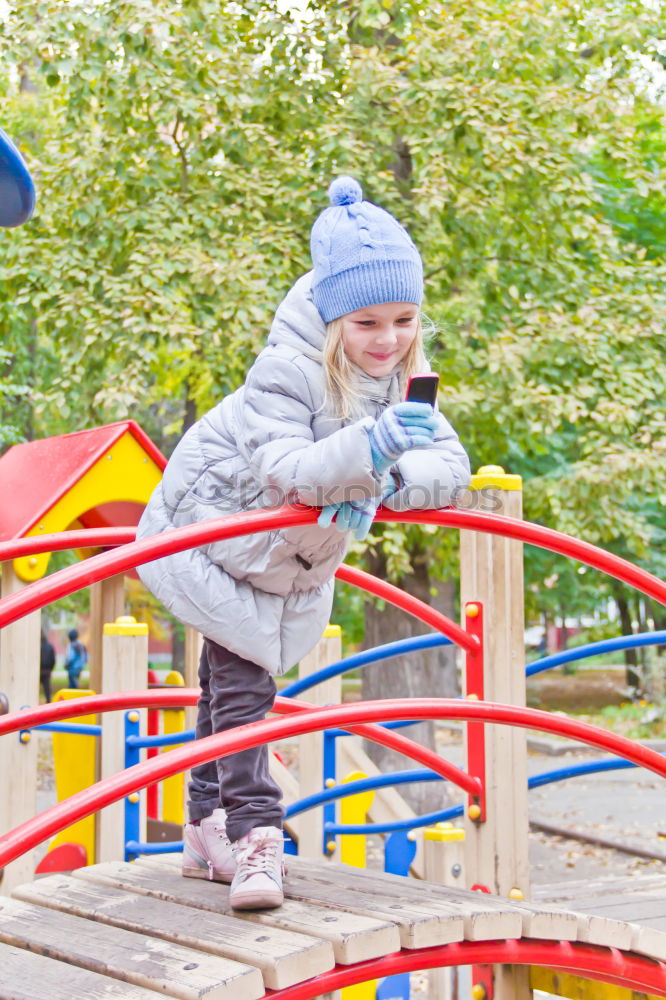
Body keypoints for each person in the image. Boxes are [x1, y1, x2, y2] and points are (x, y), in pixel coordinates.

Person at [137, 176, 471, 910]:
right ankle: (257, 838)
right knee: (246, 688)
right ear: (330, 320)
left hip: (279, 561)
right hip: (211, 541)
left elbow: (450, 470)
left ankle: (201, 826)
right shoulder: (284, 372)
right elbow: (289, 470)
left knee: (228, 689)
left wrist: (385, 473)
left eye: (405, 319)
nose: (389, 340)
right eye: (367, 324)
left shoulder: (403, 381)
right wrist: (372, 448)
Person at [39, 630, 56, 703]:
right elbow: (53, 659)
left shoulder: (38, 646)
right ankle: (48, 701)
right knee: (47, 688)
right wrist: (50, 669)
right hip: (47, 670)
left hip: (40, 670)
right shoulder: (50, 646)